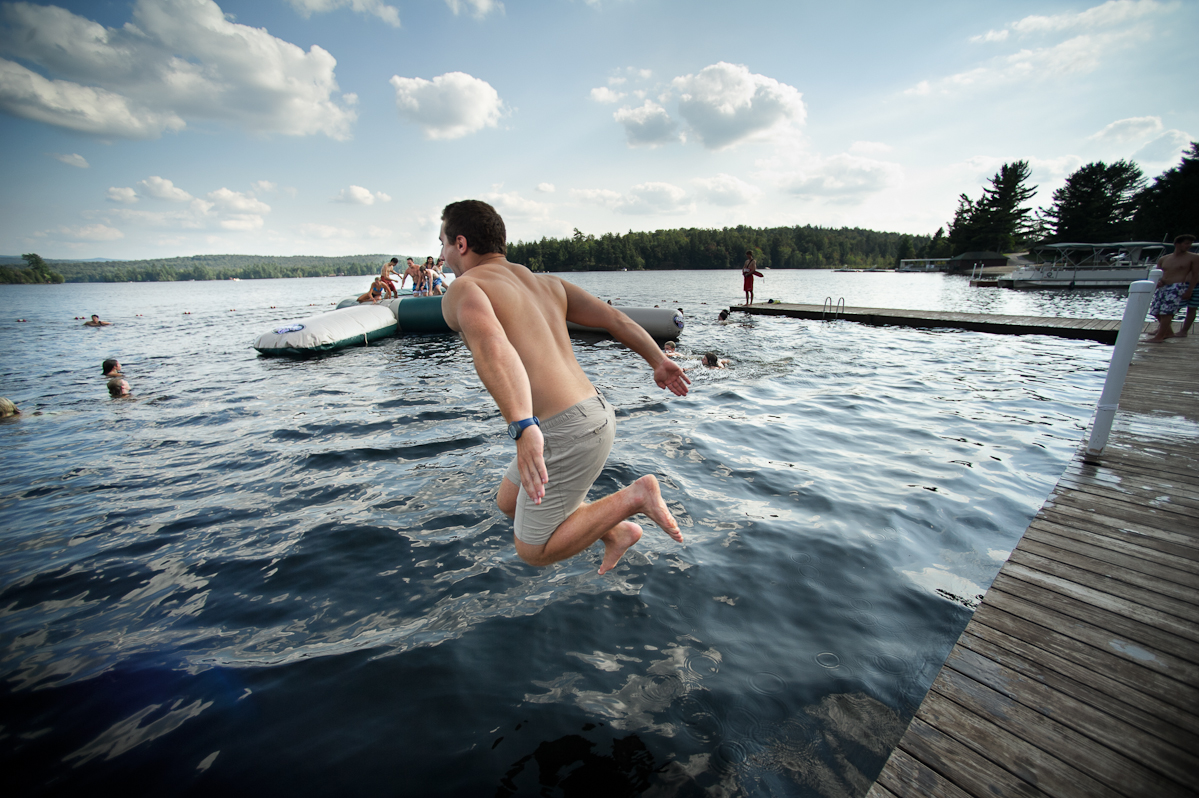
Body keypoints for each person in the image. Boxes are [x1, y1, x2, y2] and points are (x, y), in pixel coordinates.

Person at [439, 199, 690, 574]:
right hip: (596, 412)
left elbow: (493, 348)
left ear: (461, 244)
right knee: (509, 501)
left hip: (562, 428)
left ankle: (637, 496)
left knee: (532, 549)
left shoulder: (465, 288)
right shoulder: (546, 283)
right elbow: (614, 319)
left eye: (441, 242)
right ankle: (615, 531)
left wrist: (523, 427)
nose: (440, 254)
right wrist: (658, 360)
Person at [1146, 234, 1199, 342]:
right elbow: (1158, 273)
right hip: (1164, 286)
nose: (1189, 246)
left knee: (1167, 312)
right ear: (1177, 244)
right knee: (1156, 311)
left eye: (1190, 244)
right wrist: (1158, 282)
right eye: (1186, 243)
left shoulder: (1193, 258)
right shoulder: (1164, 258)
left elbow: (1195, 275)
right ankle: (1168, 332)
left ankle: (1160, 337)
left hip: (1177, 286)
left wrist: (1190, 290)